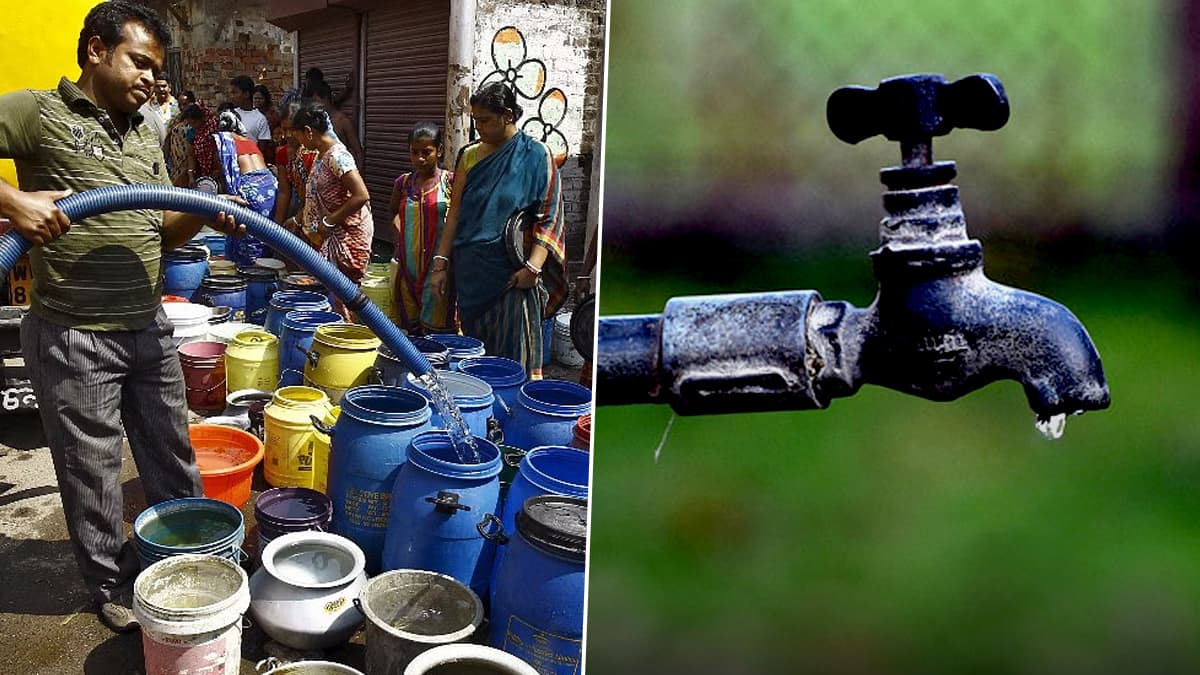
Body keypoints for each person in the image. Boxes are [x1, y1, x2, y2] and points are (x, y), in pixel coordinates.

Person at [0, 0, 244, 633]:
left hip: (147, 325)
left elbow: (158, 224)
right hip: (75, 333)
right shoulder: (36, 111)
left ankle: (188, 557)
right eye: (139, 62)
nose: (149, 79)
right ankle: (110, 583)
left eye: (154, 68)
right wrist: (15, 201)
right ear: (95, 51)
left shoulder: (143, 128)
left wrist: (202, 211)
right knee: (93, 472)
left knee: (172, 456)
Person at [431, 82, 566, 378]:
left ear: (506, 115)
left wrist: (532, 269)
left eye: (485, 120)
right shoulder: (468, 156)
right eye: (475, 120)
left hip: (513, 277)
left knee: (514, 364)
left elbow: (549, 216)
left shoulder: (535, 155)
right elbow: (454, 214)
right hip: (471, 275)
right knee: (474, 360)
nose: (478, 127)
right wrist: (440, 264)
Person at [284, 102, 373, 319]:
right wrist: (297, 220)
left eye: (298, 137)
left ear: (308, 132)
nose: (298, 144)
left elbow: (361, 195)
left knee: (346, 295)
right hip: (328, 235)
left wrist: (329, 222)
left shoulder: (338, 156)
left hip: (346, 238)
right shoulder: (320, 156)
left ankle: (349, 341)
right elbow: (315, 196)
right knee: (331, 295)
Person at [390, 121, 456, 334]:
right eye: (414, 152)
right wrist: (401, 240)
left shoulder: (450, 182)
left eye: (426, 152)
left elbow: (458, 219)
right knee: (409, 331)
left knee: (437, 330)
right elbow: (393, 214)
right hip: (407, 268)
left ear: (439, 151)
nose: (420, 158)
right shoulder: (403, 183)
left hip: (438, 269)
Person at [214, 110, 277, 265]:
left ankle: (247, 274)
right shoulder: (250, 141)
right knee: (263, 233)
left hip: (249, 189)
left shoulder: (223, 141)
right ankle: (264, 269)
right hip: (270, 186)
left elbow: (222, 170)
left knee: (243, 234)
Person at [272, 100, 318, 229]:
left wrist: (298, 218)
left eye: (292, 129)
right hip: (300, 205)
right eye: (284, 129)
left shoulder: (314, 153)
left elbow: (317, 195)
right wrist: (276, 226)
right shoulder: (282, 154)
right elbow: (284, 192)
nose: (288, 135)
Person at [311, 79, 363, 168]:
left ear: (325, 99)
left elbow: (358, 152)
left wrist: (357, 176)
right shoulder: (316, 121)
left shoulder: (343, 121)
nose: (314, 105)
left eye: (316, 101)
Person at [228, 74, 272, 157]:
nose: (232, 96)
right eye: (231, 93)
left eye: (235, 93)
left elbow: (261, 149)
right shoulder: (230, 115)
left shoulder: (260, 119)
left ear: (246, 94)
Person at [253, 83, 280, 162]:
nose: (257, 101)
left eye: (260, 98)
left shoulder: (273, 114)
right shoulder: (252, 113)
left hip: (270, 149)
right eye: (255, 98)